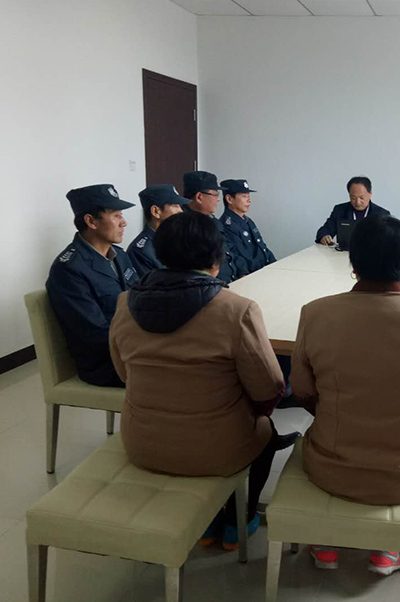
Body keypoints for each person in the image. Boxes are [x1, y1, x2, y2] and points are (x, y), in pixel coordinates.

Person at [110, 211, 299, 550]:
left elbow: (124, 373)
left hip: (142, 444)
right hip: (218, 450)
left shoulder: (125, 304)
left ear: (160, 254)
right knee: (266, 432)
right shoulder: (236, 309)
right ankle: (238, 521)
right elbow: (269, 387)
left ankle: (206, 522)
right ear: (217, 259)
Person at [291, 214, 400, 575]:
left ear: (352, 261)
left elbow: (302, 392)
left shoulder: (316, 313)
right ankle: (388, 546)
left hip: (332, 468)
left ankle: (325, 541)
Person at [46, 184, 138, 387]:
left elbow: (141, 298)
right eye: (116, 216)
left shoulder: (120, 255)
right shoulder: (69, 269)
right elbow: (94, 335)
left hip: (134, 346)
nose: (124, 222)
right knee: (186, 372)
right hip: (107, 363)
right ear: (91, 221)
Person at [182, 170, 238, 283]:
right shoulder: (183, 226)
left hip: (231, 281)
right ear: (199, 197)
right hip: (208, 287)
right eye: (215, 194)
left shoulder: (213, 221)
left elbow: (229, 250)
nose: (218, 199)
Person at [126, 184, 190, 277]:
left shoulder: (177, 240)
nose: (181, 211)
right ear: (156, 211)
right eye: (175, 206)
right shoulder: (140, 251)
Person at [220, 179, 276, 277]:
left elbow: (262, 247)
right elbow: (238, 257)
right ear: (229, 199)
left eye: (249, 196)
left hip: (264, 270)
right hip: (251, 275)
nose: (249, 200)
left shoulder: (248, 221)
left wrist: (275, 264)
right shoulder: (226, 225)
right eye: (244, 196)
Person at [316, 176, 390, 245]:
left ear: (370, 194)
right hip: (344, 251)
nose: (357, 202)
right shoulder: (340, 210)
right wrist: (324, 236)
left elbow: (389, 239)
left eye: (361, 198)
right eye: (353, 198)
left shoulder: (382, 214)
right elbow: (325, 229)